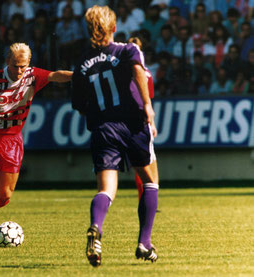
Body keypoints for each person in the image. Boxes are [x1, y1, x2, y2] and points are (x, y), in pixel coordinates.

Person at [0, 42, 72, 247]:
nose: (19, 70)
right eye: (15, 65)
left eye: (23, 66)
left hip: (12, 140)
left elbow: (55, 75)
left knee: (5, 195)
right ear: (7, 61)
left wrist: (81, 76)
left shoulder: (33, 76)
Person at [71, 6, 159, 267]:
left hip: (103, 128)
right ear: (114, 28)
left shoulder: (82, 63)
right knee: (150, 181)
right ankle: (144, 243)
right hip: (133, 124)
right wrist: (147, 108)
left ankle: (96, 226)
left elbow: (78, 103)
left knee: (106, 189)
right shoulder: (128, 50)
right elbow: (139, 73)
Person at [128, 36, 155, 200]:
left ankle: (146, 197)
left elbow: (149, 99)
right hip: (130, 117)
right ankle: (147, 197)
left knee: (144, 160)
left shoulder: (145, 73)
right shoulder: (144, 72)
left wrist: (152, 122)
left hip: (139, 117)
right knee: (141, 161)